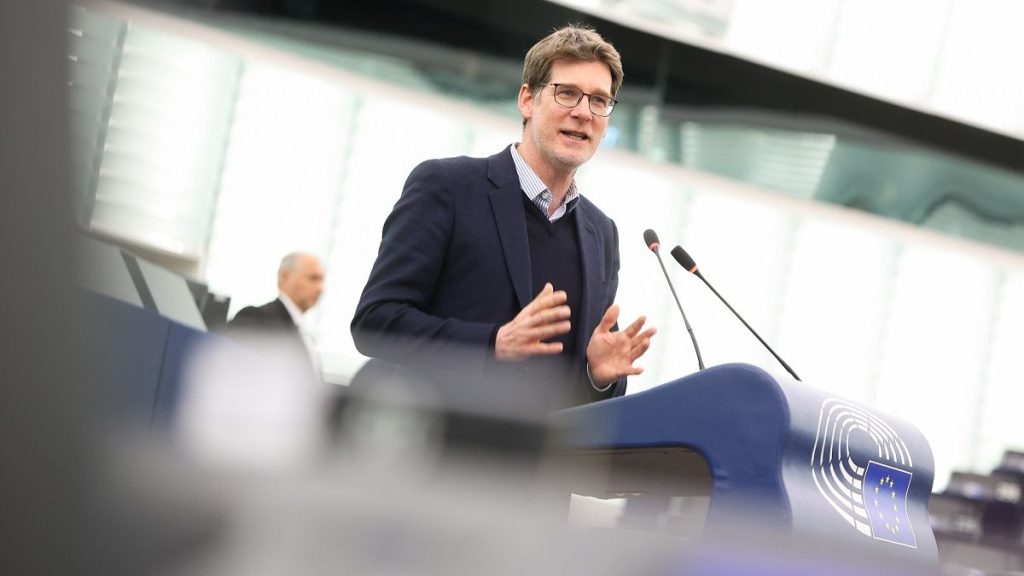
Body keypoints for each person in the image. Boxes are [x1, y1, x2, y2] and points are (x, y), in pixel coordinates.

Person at [351, 25, 655, 407]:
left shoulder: (601, 233)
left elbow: (572, 387)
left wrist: (597, 376)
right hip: (434, 451)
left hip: (533, 463)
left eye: (599, 100)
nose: (583, 112)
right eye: (567, 93)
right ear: (527, 100)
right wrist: (493, 343)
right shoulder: (447, 186)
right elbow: (375, 323)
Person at [227, 252, 325, 373]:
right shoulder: (256, 318)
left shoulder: (305, 334)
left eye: (322, 280)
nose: (320, 288)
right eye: (313, 278)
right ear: (285, 277)